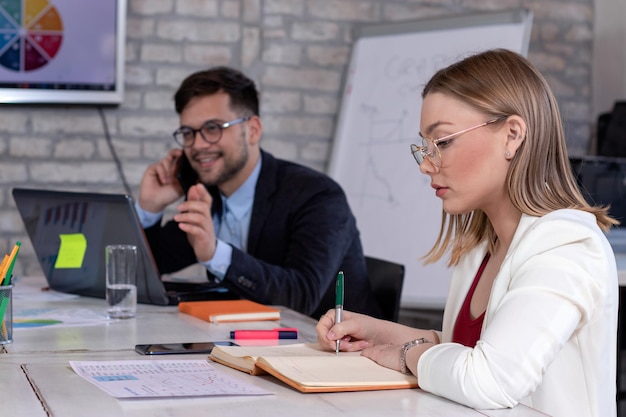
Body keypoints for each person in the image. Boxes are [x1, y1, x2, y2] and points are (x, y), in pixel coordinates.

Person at [316, 49, 618, 417]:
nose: (427, 165)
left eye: (442, 142)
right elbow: (464, 352)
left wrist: (405, 354)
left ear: (512, 135)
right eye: (424, 147)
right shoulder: (483, 248)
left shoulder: (565, 246)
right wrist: (375, 332)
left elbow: (489, 379)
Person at [136, 66, 381, 319]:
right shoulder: (205, 194)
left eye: (213, 128)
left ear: (253, 130)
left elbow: (300, 298)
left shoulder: (317, 195)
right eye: (188, 133)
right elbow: (145, 273)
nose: (198, 145)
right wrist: (150, 208)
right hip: (245, 344)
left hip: (332, 350)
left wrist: (214, 253)